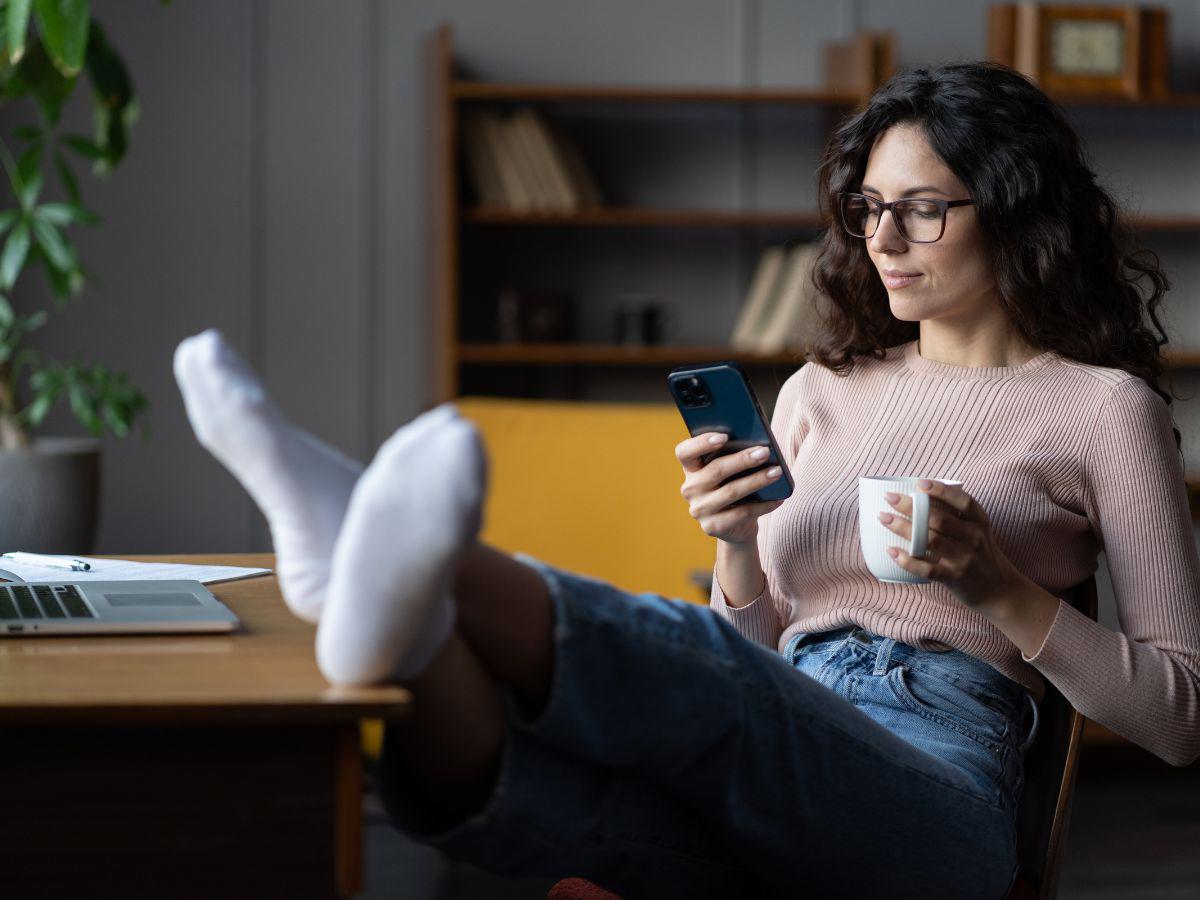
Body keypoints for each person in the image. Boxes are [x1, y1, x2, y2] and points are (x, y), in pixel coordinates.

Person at [173, 60, 1200, 899]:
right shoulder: (817, 392)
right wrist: (737, 543)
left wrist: (1000, 590)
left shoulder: (1103, 409)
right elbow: (758, 638)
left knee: (725, 695)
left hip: (940, 783)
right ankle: (408, 616)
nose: (882, 241)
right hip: (782, 707)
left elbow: (1179, 717)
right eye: (867, 207)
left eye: (924, 210)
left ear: (1017, 210)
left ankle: (398, 557)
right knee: (574, 807)